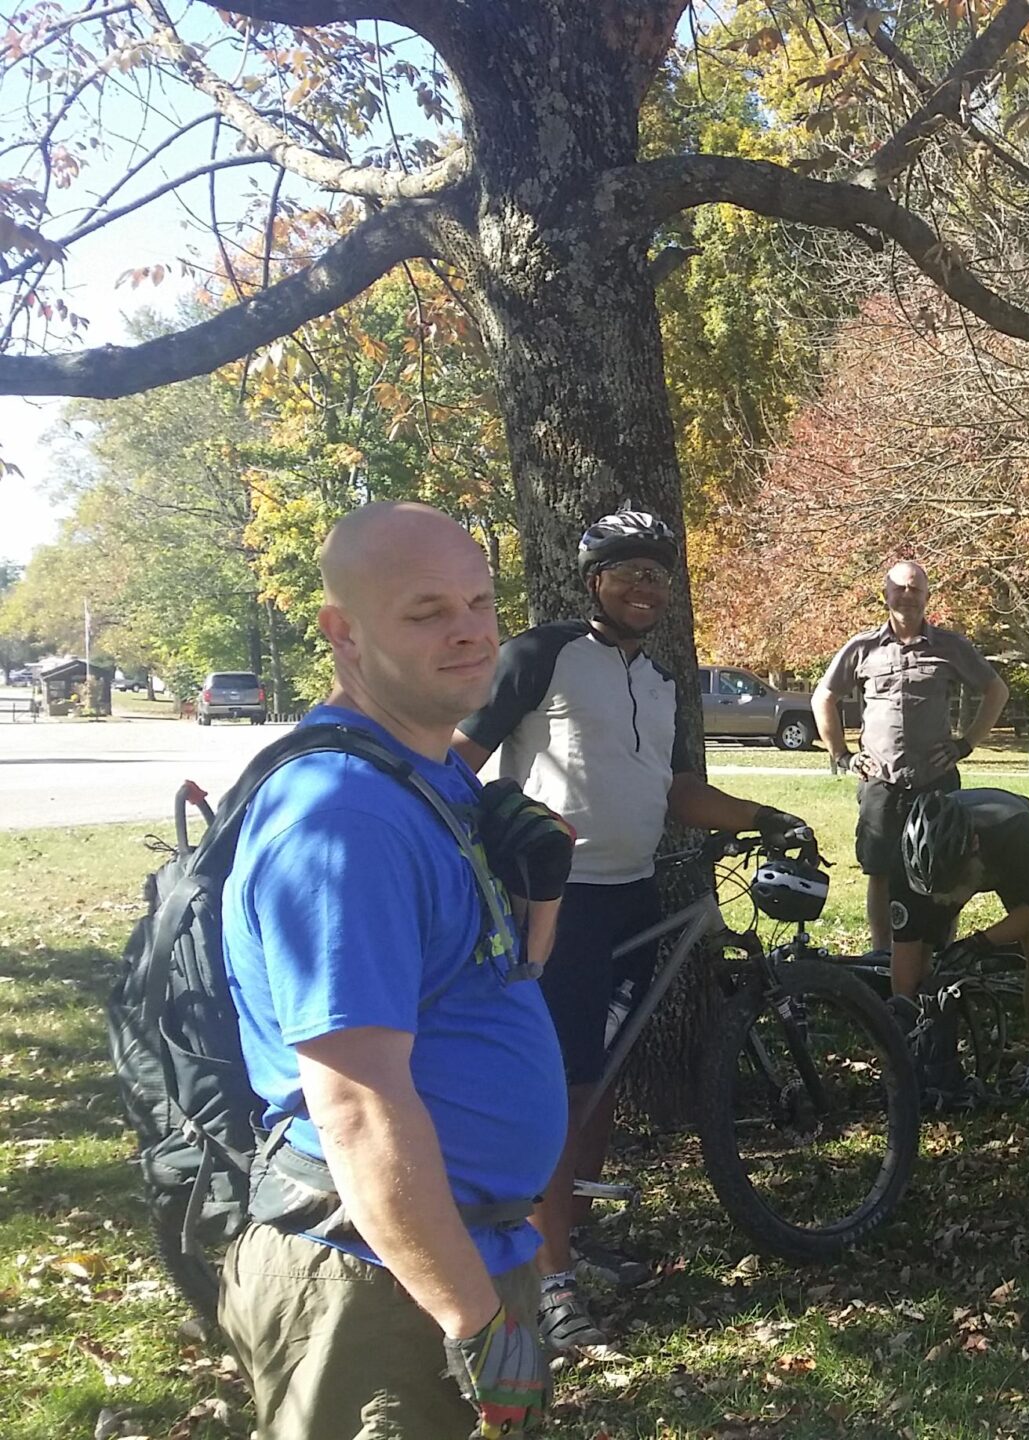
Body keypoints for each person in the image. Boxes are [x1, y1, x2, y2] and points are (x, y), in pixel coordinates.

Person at [220, 501, 566, 1438]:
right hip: (379, 1278)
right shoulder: (344, 822)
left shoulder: (430, 776)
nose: (470, 630)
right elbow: (357, 1105)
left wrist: (541, 884)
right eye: (426, 611)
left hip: (457, 1247)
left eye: (481, 601)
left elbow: (503, 982)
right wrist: (474, 1320)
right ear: (345, 633)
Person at [454, 510, 807, 1355]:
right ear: (593, 581)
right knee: (558, 1085)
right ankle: (550, 1280)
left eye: (656, 573)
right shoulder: (544, 655)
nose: (644, 586)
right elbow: (460, 758)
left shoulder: (658, 680)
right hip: (556, 904)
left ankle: (565, 1238)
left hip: (634, 895)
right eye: (626, 571)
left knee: (604, 1074)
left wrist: (765, 814)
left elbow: (674, 787)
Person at [814, 561, 1009, 955]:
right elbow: (824, 697)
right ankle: (882, 954)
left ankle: (937, 951)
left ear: (927, 597)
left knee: (943, 868)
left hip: (935, 782)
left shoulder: (950, 646)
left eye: (915, 589)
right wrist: (842, 754)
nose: (907, 595)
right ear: (885, 595)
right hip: (881, 780)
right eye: (900, 588)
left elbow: (996, 691)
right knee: (881, 872)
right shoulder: (862, 647)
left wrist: (965, 743)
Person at [894, 787, 1029, 1101]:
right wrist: (903, 1034)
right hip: (942, 866)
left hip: (1011, 845)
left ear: (974, 847)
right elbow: (905, 956)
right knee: (923, 950)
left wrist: (980, 943)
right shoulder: (907, 862)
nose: (945, 897)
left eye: (954, 883)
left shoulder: (1019, 835)